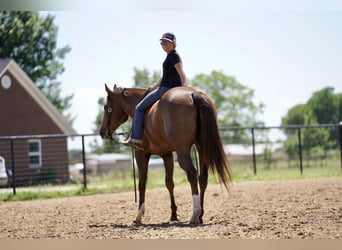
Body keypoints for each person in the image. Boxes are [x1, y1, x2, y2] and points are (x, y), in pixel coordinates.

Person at [120, 32, 186, 150]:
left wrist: (183, 88)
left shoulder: (174, 56)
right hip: (163, 87)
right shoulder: (170, 56)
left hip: (165, 90)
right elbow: (165, 76)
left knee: (139, 108)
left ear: (173, 44)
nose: (164, 45)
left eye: (167, 42)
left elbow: (181, 72)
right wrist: (153, 87)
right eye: (162, 42)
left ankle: (135, 139)